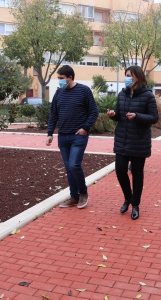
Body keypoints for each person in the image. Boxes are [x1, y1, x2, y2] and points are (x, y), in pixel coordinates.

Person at [106, 66, 159, 220]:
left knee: (137, 174)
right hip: (122, 140)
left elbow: (154, 117)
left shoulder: (148, 95)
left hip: (139, 141)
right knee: (120, 170)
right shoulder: (122, 94)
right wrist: (113, 115)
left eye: (129, 75)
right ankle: (128, 197)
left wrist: (137, 116)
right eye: (126, 75)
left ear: (137, 77)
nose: (126, 78)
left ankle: (135, 204)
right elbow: (119, 115)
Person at [46, 65, 99, 208]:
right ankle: (74, 197)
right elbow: (53, 114)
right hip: (63, 136)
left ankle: (83, 193)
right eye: (58, 78)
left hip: (78, 136)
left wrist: (85, 128)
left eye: (62, 78)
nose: (60, 81)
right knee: (69, 168)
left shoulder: (84, 91)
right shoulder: (59, 93)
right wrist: (50, 133)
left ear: (70, 77)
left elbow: (94, 111)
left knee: (74, 165)